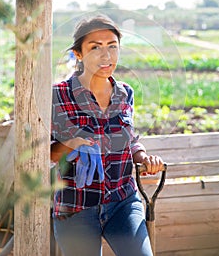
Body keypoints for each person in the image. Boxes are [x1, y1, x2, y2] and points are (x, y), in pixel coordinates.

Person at [51, 15, 164, 256]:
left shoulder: (125, 93)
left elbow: (129, 139)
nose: (107, 56)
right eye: (95, 48)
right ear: (78, 54)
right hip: (76, 205)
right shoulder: (58, 95)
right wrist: (71, 144)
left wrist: (143, 157)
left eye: (112, 46)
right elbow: (44, 151)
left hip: (123, 201)